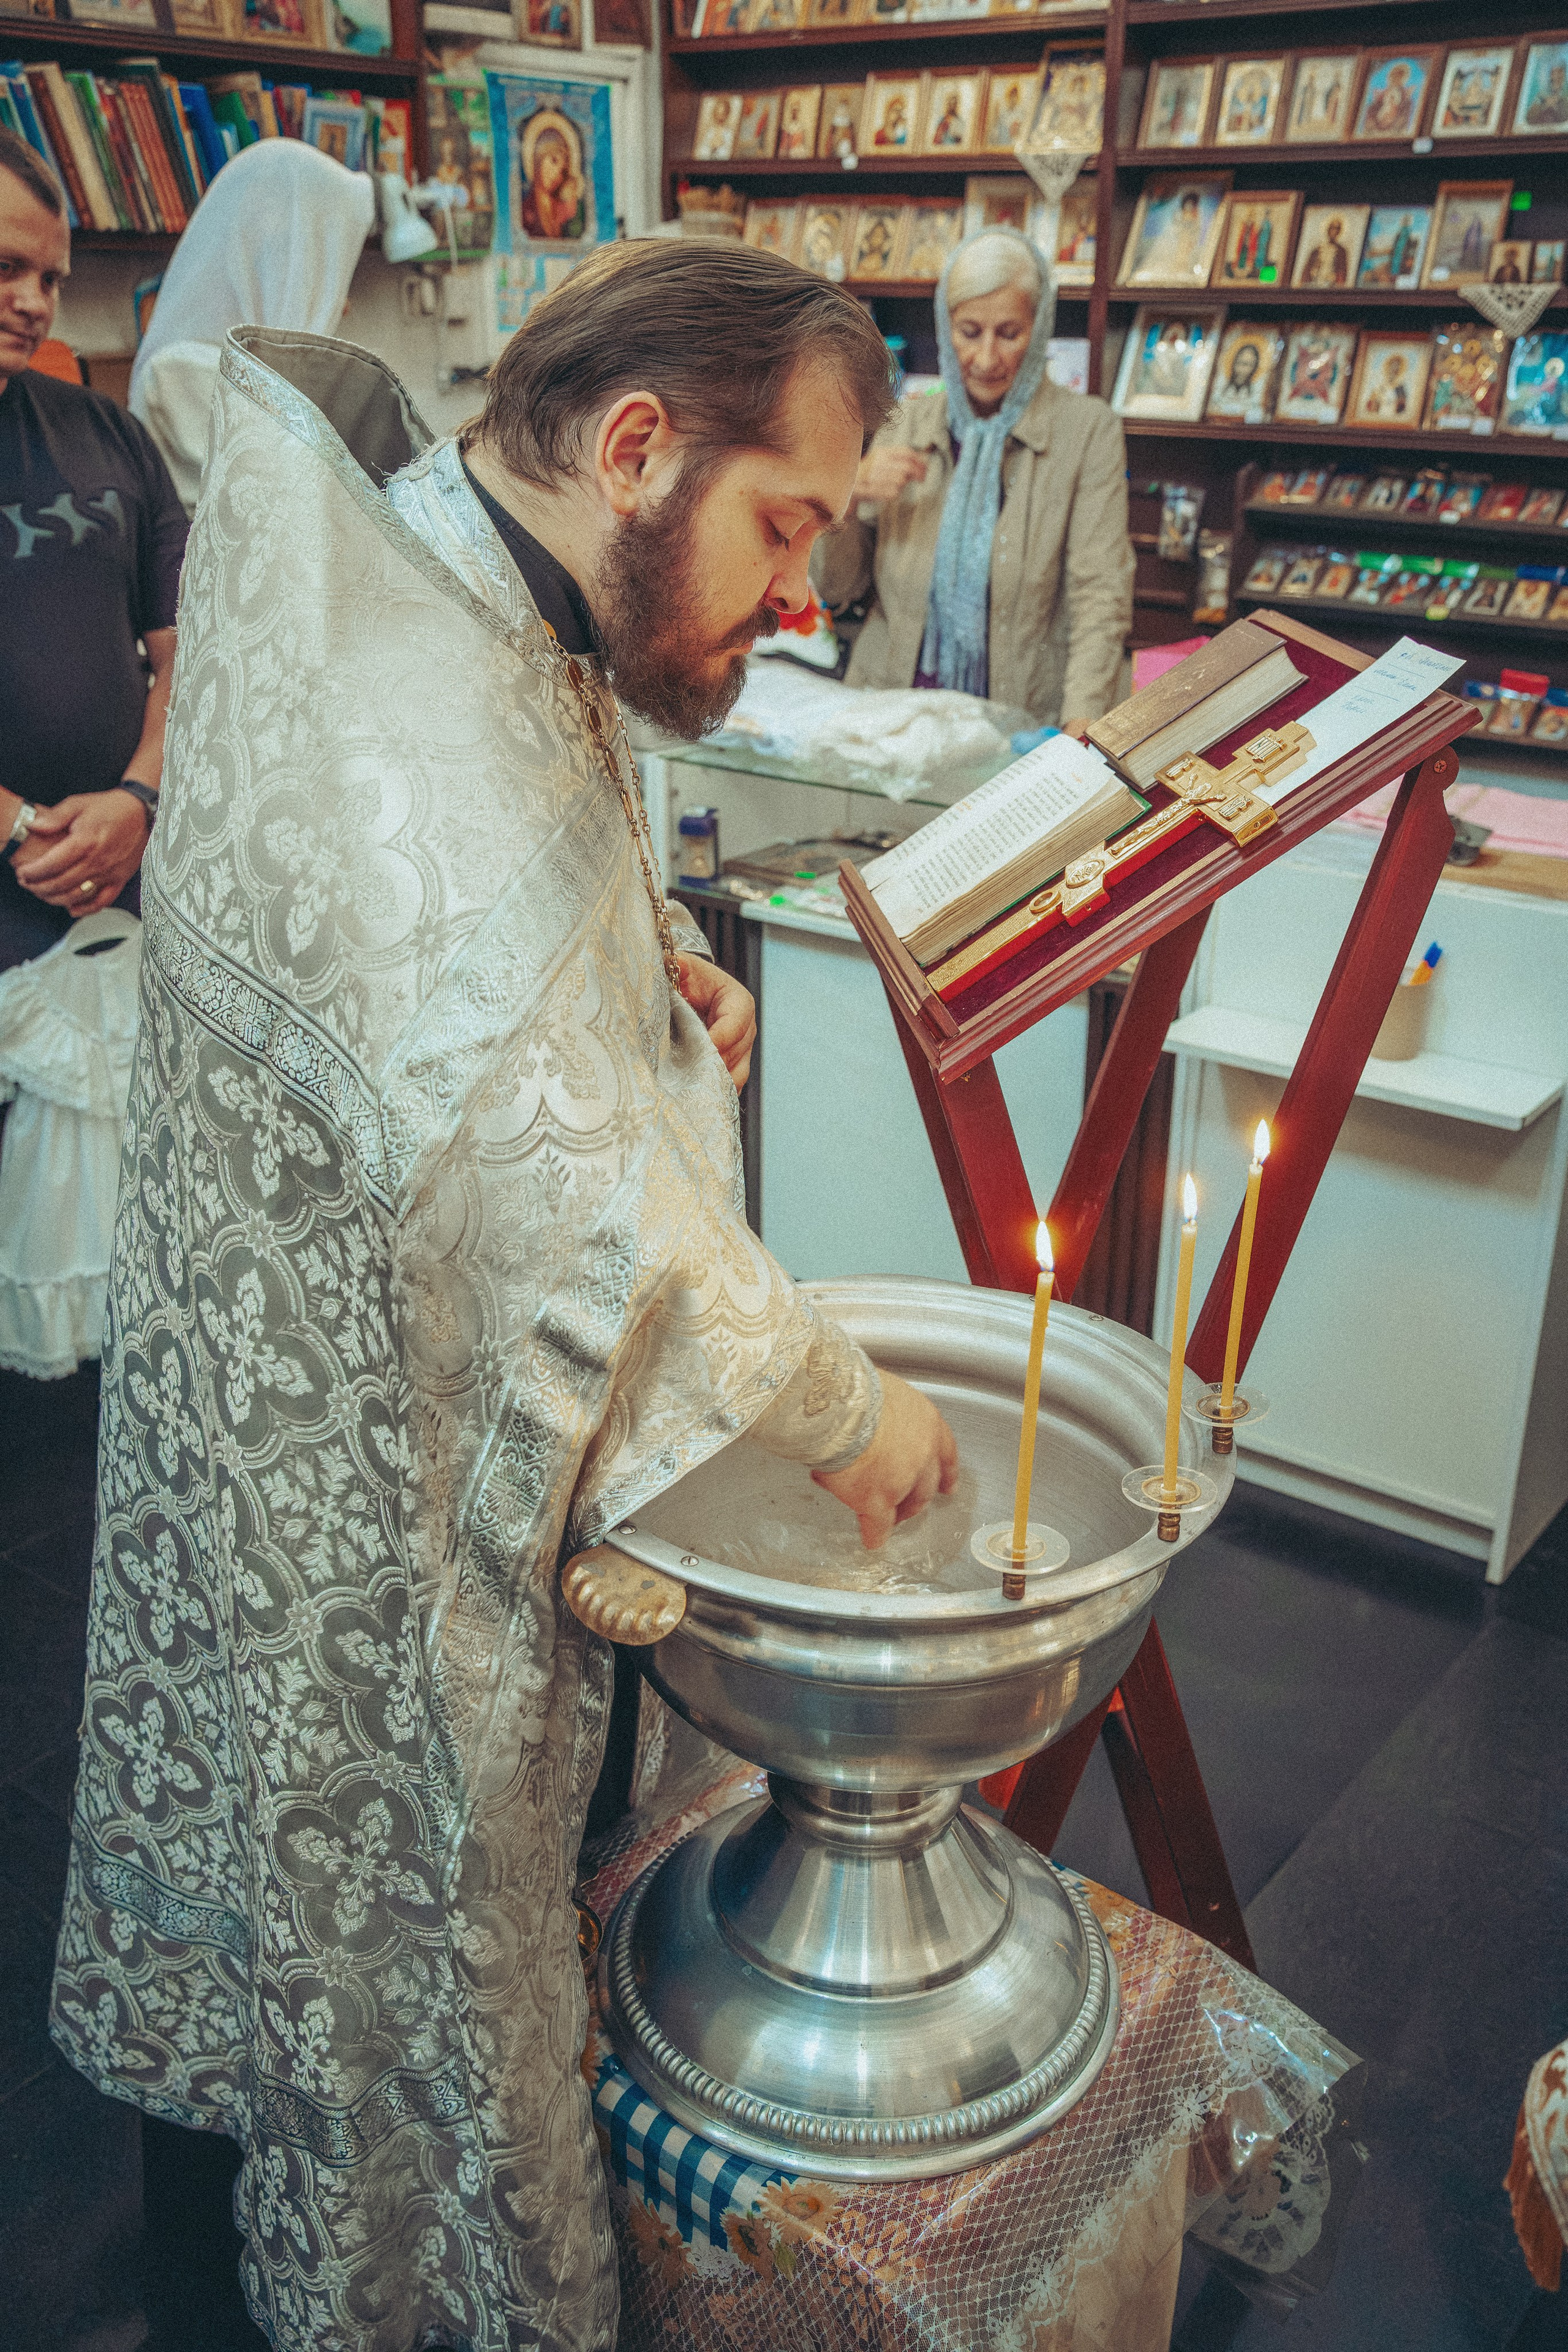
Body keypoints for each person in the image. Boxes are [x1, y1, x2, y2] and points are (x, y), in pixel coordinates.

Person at [51, 239, 959, 2352]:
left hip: (359, 1442)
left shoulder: (464, 576)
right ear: (638, 447)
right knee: (388, 2009)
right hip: (369, 1540)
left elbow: (491, 1010)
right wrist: (838, 1406)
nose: (804, 597)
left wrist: (651, 995)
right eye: (785, 523)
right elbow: (532, 1204)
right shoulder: (407, 704)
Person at [813, 228, 1133, 728]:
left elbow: (1100, 598)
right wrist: (844, 497)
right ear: (944, 326)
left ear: (1040, 327)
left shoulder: (1088, 433)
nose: (986, 359)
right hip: (892, 722)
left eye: (1009, 334)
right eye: (968, 332)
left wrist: (1081, 727)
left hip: (1019, 727)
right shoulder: (906, 424)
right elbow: (837, 587)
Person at [0, 127, 185, 978]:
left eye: (51, 279)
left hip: (125, 908)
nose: (36, 302)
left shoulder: (105, 429)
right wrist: (16, 826)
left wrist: (140, 800)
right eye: (8, 269)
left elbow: (189, 649)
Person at [128, 137, 374, 516]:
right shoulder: (179, 376)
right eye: (328, 276)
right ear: (287, 265)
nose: (343, 304)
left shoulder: (268, 377)